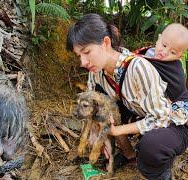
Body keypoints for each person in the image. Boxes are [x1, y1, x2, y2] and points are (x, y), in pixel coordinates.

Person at [66, 13, 188, 179]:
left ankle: (160, 172)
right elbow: (99, 109)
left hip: (174, 121)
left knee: (151, 147)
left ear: (106, 43)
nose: (83, 62)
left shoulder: (137, 68)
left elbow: (162, 118)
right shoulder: (97, 72)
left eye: (87, 52)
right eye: (79, 55)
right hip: (143, 113)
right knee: (98, 101)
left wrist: (116, 131)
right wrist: (101, 137)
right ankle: (128, 154)